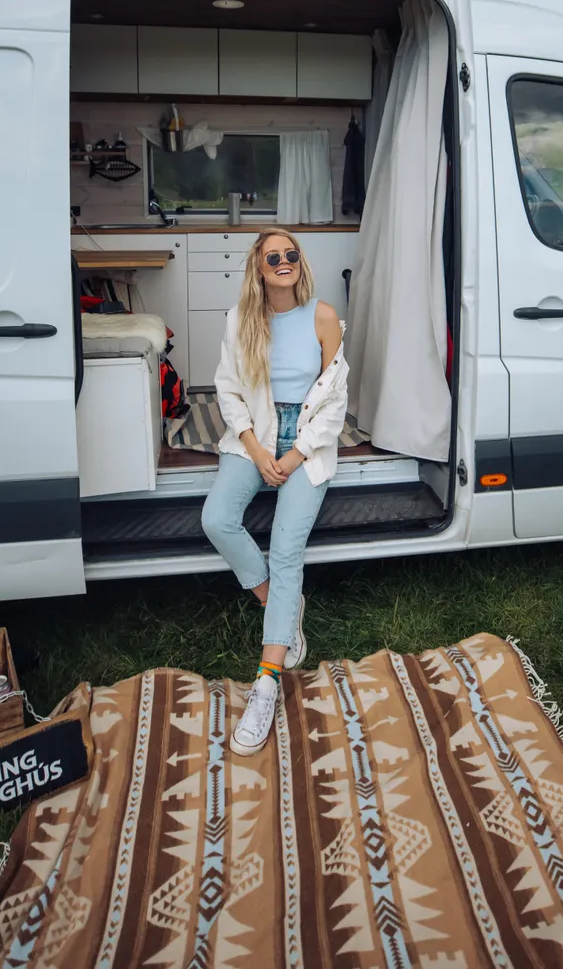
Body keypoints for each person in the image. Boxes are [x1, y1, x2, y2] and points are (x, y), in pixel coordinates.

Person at [201, 229, 348, 755]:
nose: (283, 262)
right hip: (254, 437)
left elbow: (334, 400)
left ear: (298, 264)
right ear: (259, 269)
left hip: (307, 443)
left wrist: (292, 456)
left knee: (287, 549)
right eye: (272, 257)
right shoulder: (242, 320)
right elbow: (228, 388)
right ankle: (282, 608)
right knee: (217, 519)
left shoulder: (323, 316)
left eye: (290, 255)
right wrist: (258, 451)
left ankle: (266, 680)